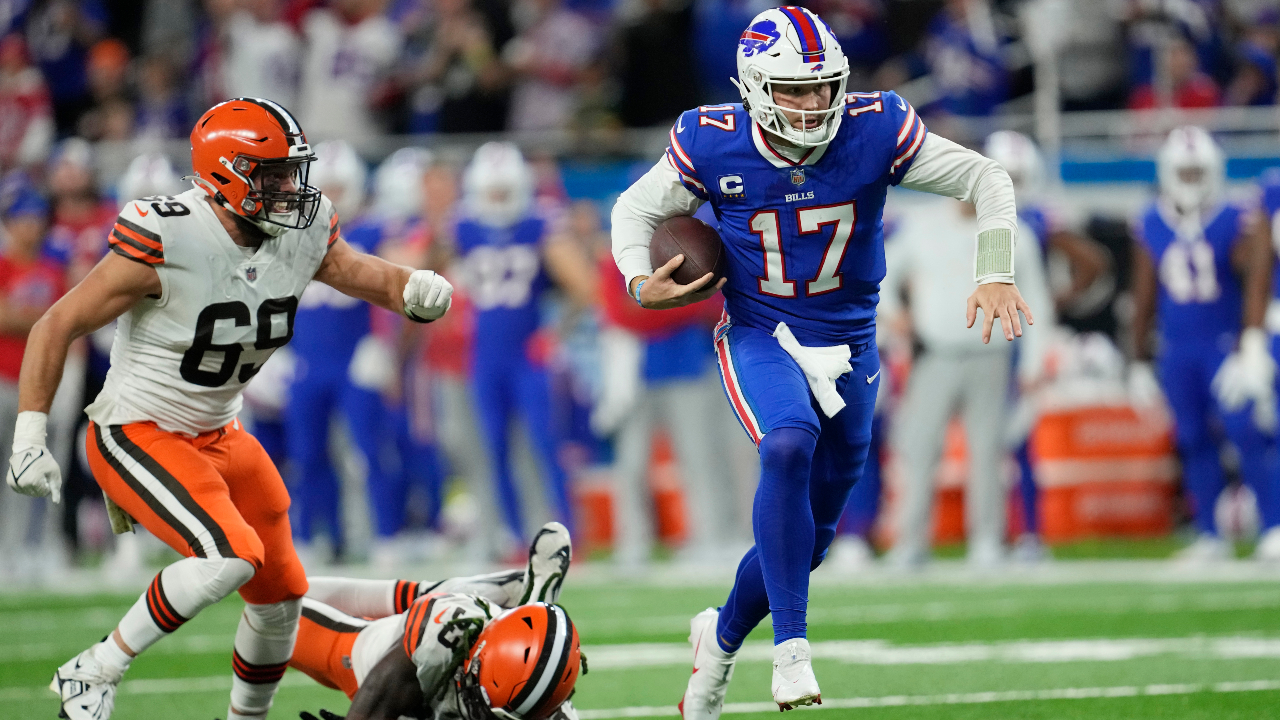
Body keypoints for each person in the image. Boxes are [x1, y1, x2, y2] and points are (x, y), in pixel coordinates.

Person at [610, 6, 1031, 712]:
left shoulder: (875, 126)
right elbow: (632, 210)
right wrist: (636, 278)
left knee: (813, 538)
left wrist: (995, 271)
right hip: (760, 332)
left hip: (852, 344)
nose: (812, 105)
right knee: (786, 445)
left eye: (821, 87)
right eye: (793, 90)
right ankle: (792, 651)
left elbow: (990, 179)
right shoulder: (709, 142)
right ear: (752, 87)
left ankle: (716, 645)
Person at [6, 97, 455, 720]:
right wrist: (30, 435)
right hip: (137, 430)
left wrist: (410, 288)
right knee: (228, 557)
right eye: (271, 174)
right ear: (226, 173)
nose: (288, 187)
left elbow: (354, 271)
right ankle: (95, 669)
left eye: (290, 172)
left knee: (281, 598)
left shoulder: (301, 227)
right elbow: (56, 324)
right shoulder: (168, 234)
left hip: (219, 430)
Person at [1130, 126, 1280, 563]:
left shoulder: (1237, 217)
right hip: (1176, 350)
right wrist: (1137, 360)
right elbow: (1144, 298)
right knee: (1193, 438)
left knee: (1245, 432)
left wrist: (1250, 345)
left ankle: (1273, 525)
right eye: (1185, 171)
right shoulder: (1150, 221)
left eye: (1199, 171)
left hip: (1222, 343)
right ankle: (1210, 534)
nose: (1192, 179)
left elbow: (1256, 279)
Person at [881, 197, 1052, 569]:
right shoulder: (922, 225)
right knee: (919, 450)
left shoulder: (1011, 231)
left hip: (991, 354)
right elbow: (880, 273)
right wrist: (895, 316)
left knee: (988, 450)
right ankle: (910, 541)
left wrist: (1035, 360)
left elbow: (1036, 297)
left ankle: (987, 540)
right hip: (934, 354)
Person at [454, 142, 595, 555]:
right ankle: (514, 536)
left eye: (503, 190)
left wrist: (555, 334)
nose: (497, 199)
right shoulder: (461, 228)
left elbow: (584, 286)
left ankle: (569, 535)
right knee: (494, 448)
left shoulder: (539, 224)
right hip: (485, 356)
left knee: (546, 445)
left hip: (526, 356)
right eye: (491, 191)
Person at [290, 522, 579, 720]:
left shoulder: (553, 708)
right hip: (371, 653)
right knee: (278, 608)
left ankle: (522, 599)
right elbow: (381, 698)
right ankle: (445, 591)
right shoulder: (442, 639)